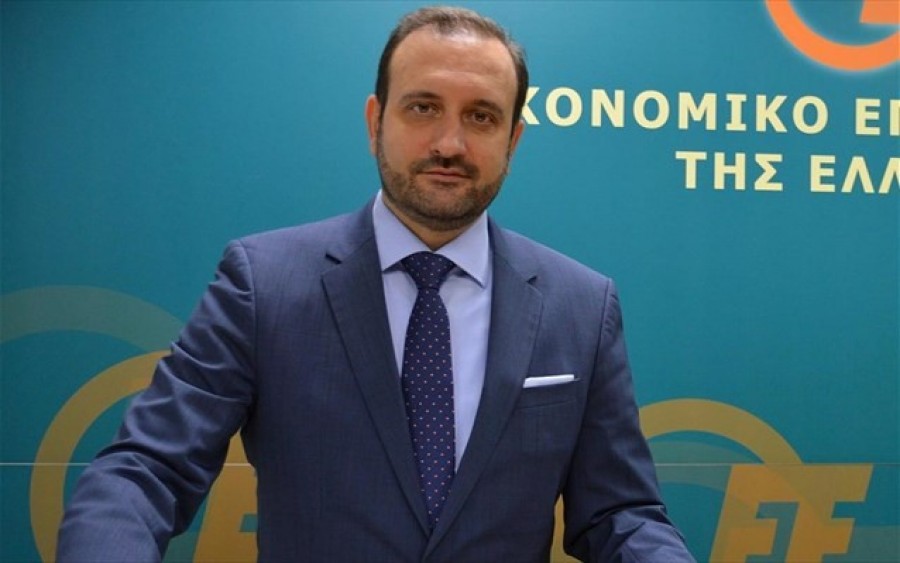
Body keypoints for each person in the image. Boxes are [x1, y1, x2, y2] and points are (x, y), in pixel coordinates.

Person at [58, 6, 695, 562]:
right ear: (375, 121)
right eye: (423, 108)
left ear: (513, 139)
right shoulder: (264, 283)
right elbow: (147, 470)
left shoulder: (580, 306)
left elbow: (620, 515)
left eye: (481, 116)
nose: (450, 143)